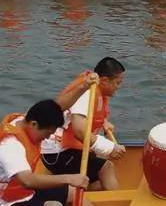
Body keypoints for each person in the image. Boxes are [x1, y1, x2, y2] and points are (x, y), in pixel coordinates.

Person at [0, 79, 98, 206]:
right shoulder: (10, 145)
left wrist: (84, 86)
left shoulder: (27, 119)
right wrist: (68, 178)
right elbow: (27, 180)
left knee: (74, 193)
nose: (47, 138)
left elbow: (58, 106)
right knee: (54, 205)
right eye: (47, 133)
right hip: (6, 201)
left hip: (26, 192)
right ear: (34, 124)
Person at [41, 57, 126, 191]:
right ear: (104, 81)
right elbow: (79, 130)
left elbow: (85, 115)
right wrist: (110, 147)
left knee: (99, 182)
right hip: (57, 153)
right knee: (107, 167)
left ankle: (69, 192)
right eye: (118, 83)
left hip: (66, 149)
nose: (119, 87)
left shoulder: (96, 90)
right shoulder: (87, 94)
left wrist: (103, 122)